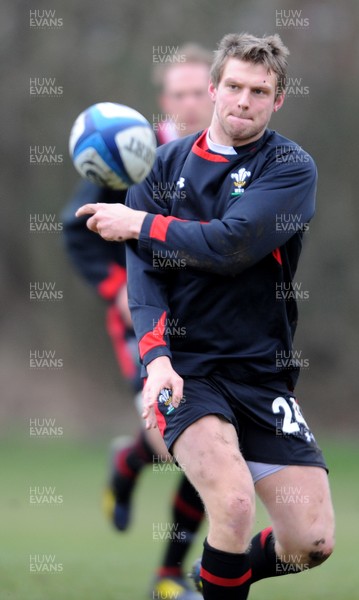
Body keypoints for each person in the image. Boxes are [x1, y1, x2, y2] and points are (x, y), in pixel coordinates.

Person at [76, 32, 335, 600]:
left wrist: (138, 224)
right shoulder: (161, 167)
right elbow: (145, 282)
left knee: (311, 541)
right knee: (233, 501)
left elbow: (232, 245)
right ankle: (210, 578)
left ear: (278, 100)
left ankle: (215, 575)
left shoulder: (290, 167)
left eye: (259, 91)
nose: (244, 101)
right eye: (235, 87)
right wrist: (158, 361)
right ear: (215, 89)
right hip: (191, 370)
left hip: (263, 374)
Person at [63, 44, 214, 600]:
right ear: (164, 101)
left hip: (203, 327)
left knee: (211, 448)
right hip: (143, 326)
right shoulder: (135, 149)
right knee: (178, 444)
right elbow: (74, 228)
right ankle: (133, 463)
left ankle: (167, 576)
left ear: (216, 93)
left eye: (201, 92)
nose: (192, 103)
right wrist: (117, 290)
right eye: (180, 94)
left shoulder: (228, 158)